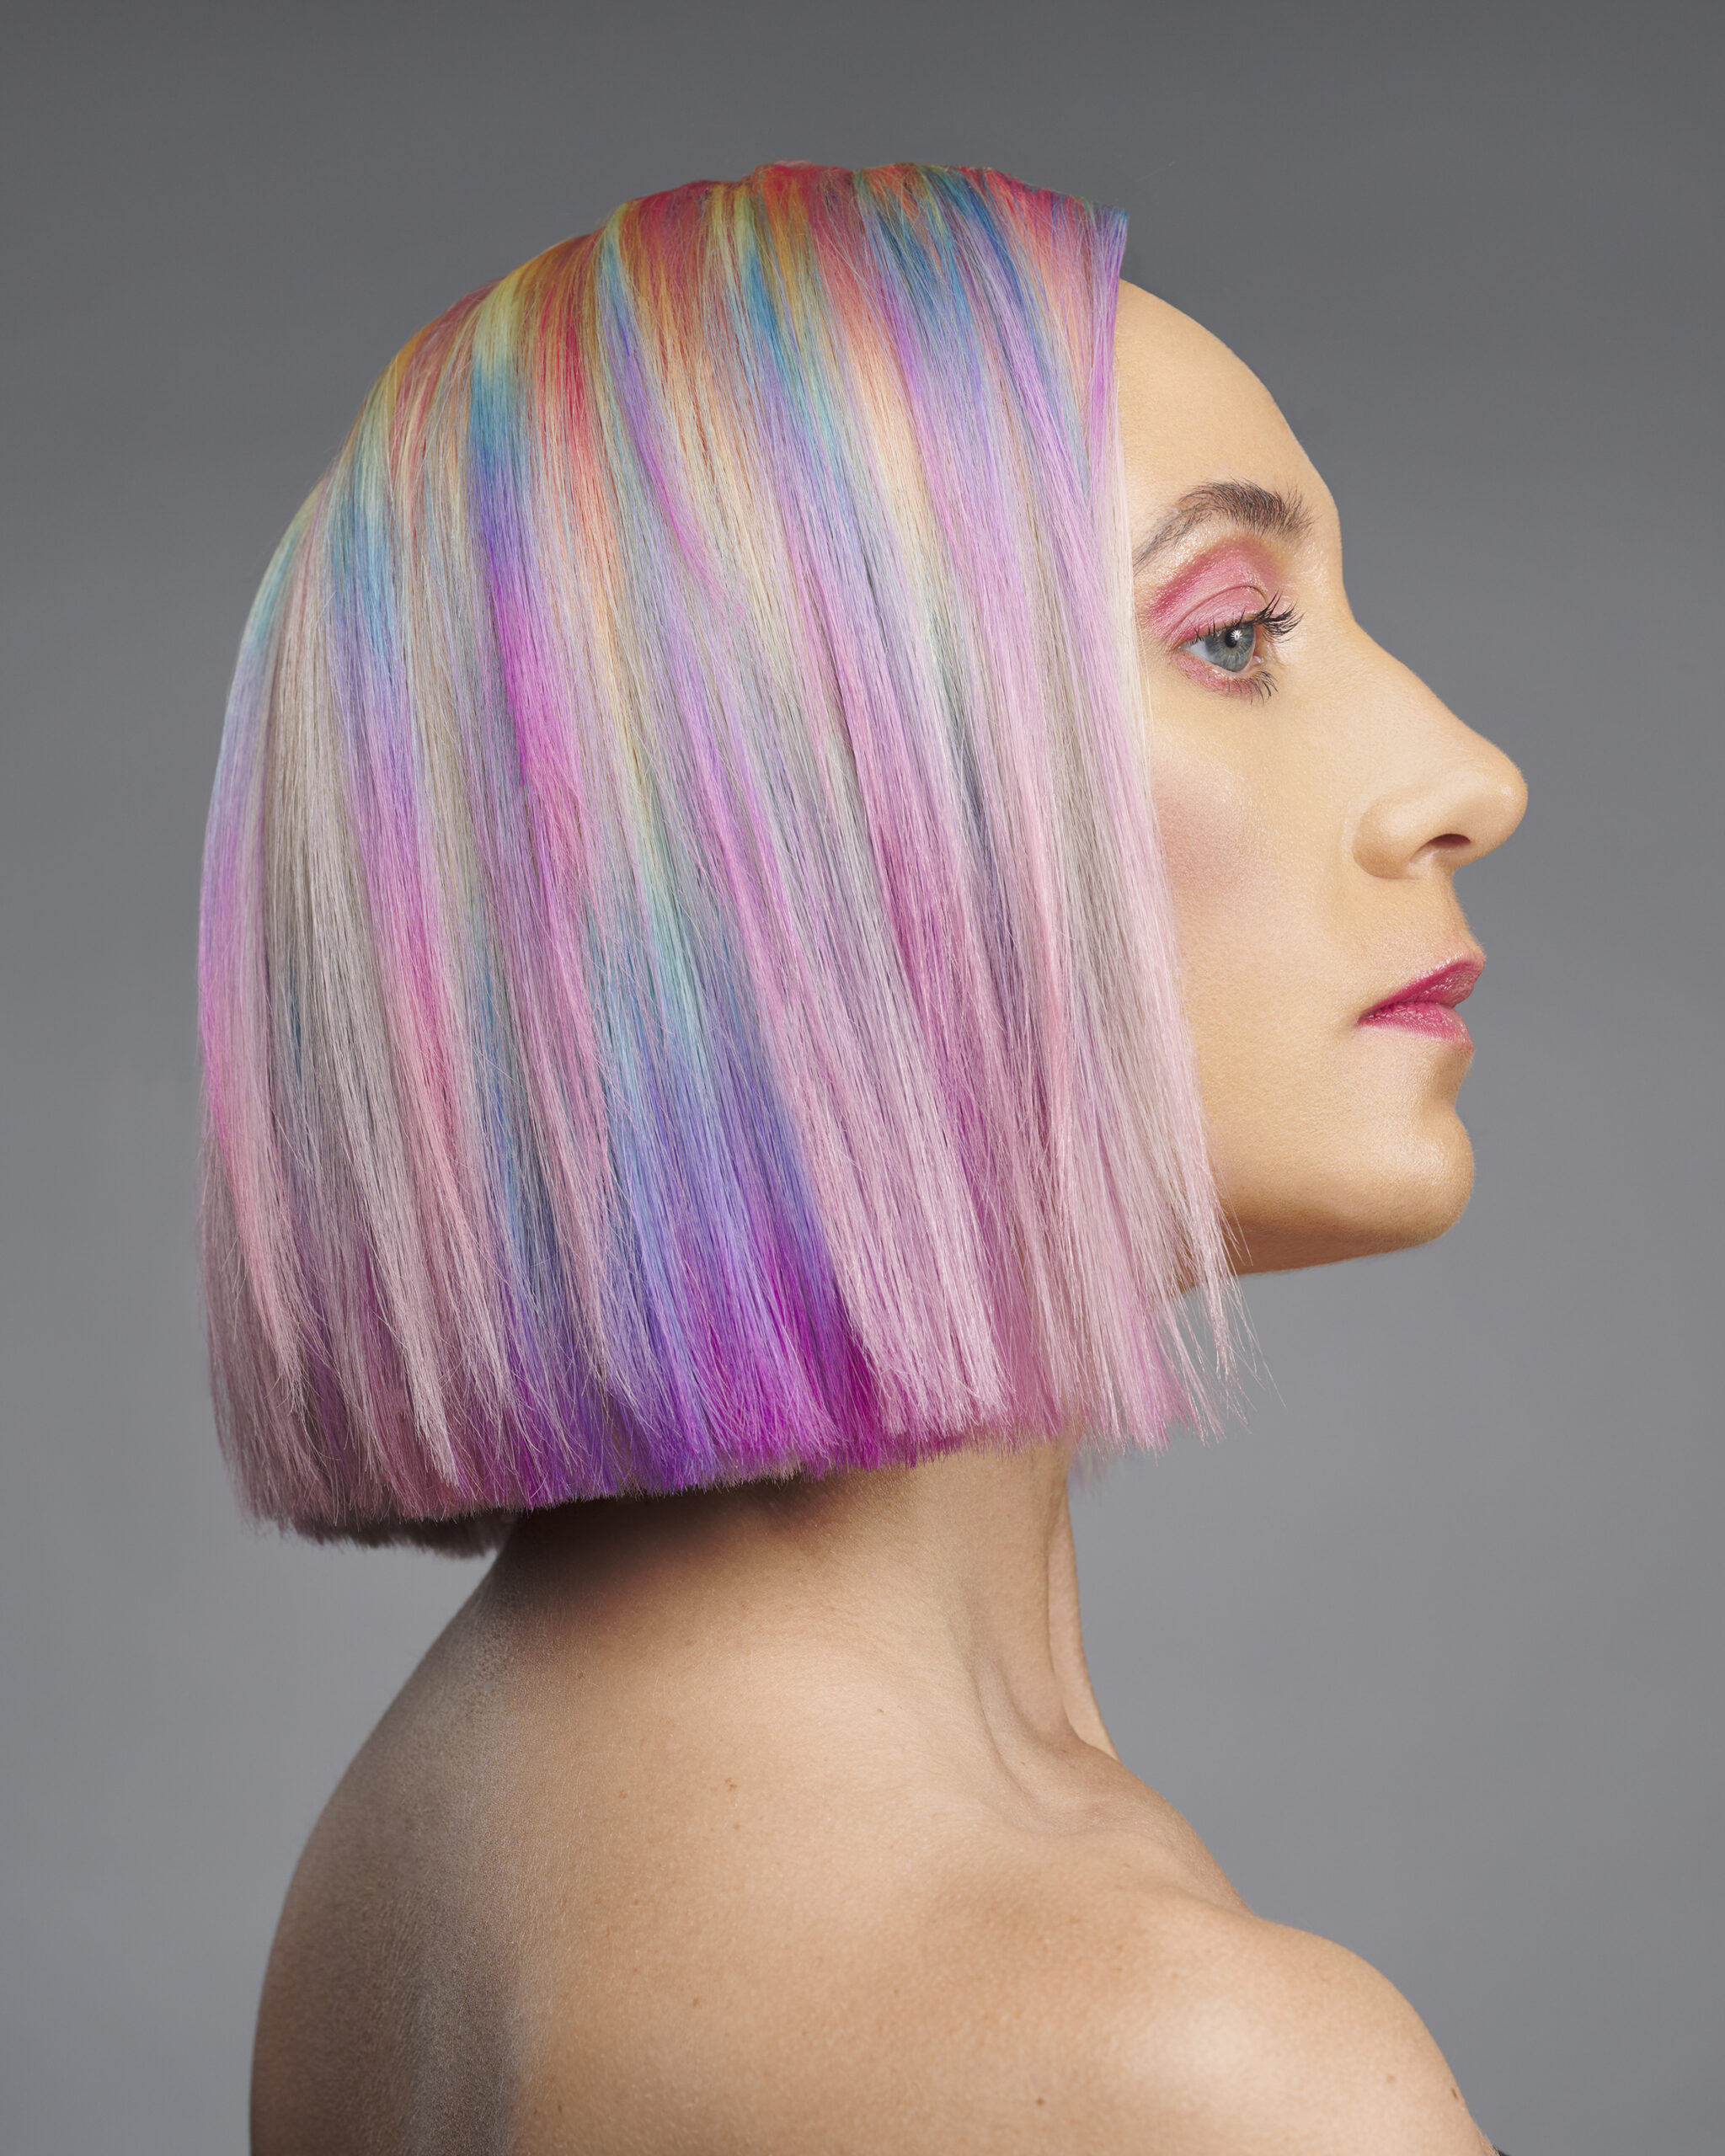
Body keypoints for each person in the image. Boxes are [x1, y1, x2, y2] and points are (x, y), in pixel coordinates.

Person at [200, 163, 1525, 2153]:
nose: (1465, 778)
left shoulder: (398, 1882)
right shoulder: (1206, 2070)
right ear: (800, 822)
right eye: (1234, 634)